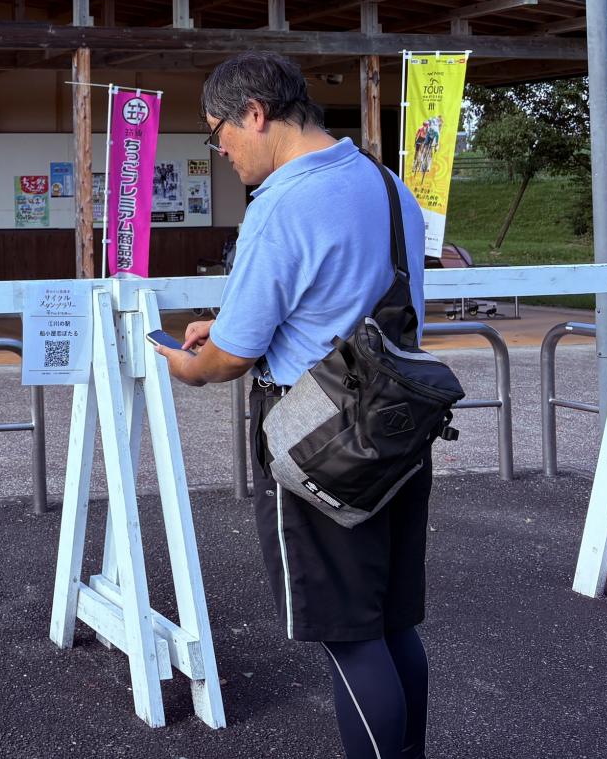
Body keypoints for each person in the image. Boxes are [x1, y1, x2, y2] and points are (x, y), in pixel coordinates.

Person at [151, 52, 432, 759]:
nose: (219, 149)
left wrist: (188, 363)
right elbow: (345, 295)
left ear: (254, 112)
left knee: (348, 638)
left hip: (319, 441)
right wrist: (233, 323)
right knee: (393, 625)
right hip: (395, 424)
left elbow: (230, 358)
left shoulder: (280, 203)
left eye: (218, 130)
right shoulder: (384, 182)